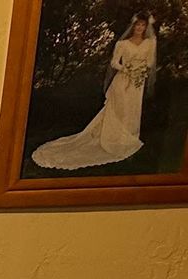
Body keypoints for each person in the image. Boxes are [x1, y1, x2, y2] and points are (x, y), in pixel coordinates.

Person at [32, 15, 161, 170]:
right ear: (133, 26)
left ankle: (128, 139)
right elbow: (114, 62)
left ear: (146, 27)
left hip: (137, 83)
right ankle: (115, 139)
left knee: (133, 109)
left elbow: (150, 62)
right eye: (137, 25)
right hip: (122, 81)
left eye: (143, 25)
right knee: (120, 109)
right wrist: (127, 69)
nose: (140, 28)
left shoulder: (149, 43)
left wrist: (140, 70)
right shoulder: (122, 44)